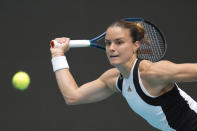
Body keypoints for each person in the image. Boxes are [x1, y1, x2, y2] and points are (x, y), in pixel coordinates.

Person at [50, 20, 197, 131]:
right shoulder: (114, 79)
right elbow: (72, 96)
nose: (112, 48)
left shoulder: (152, 73)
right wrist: (57, 54)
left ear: (136, 45)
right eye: (108, 43)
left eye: (119, 42)